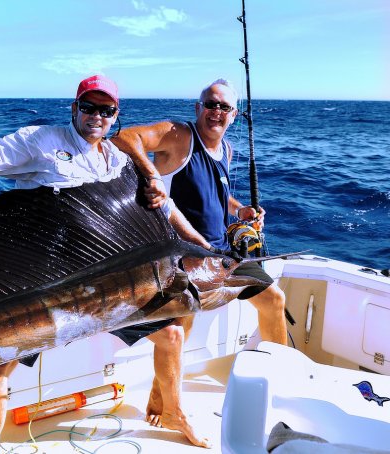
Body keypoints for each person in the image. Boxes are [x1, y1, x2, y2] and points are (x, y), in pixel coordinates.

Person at [0, 74, 204, 453]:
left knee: (171, 333)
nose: (96, 116)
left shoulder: (116, 159)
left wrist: (197, 242)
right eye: (89, 107)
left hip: (102, 286)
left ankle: (172, 412)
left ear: (115, 116)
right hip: (41, 282)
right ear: (74, 109)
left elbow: (163, 205)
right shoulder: (41, 140)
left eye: (106, 110)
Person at [111, 78, 288, 445]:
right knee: (180, 328)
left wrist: (244, 211)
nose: (216, 112)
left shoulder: (226, 150)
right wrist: (150, 175)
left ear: (234, 115)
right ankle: (162, 403)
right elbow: (124, 138)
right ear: (198, 107)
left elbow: (219, 198)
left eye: (224, 107)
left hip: (222, 252)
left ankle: (284, 383)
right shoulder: (179, 136)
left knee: (274, 300)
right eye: (210, 104)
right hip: (181, 254)